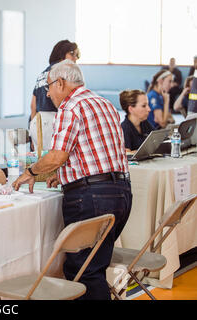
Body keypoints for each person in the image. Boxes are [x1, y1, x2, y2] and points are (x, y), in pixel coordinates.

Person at [12, 59, 132, 300]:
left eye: (49, 86)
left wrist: (31, 172)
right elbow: (95, 150)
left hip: (92, 198)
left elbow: (57, 155)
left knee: (84, 272)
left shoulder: (70, 107)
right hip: (121, 193)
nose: (47, 93)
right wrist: (65, 173)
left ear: (60, 82)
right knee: (95, 267)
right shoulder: (103, 103)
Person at [30, 40, 80, 122]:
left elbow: (33, 105)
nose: (76, 58)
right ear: (61, 53)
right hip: (55, 121)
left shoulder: (41, 75)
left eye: (77, 55)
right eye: (72, 53)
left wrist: (32, 126)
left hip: (38, 120)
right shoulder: (63, 73)